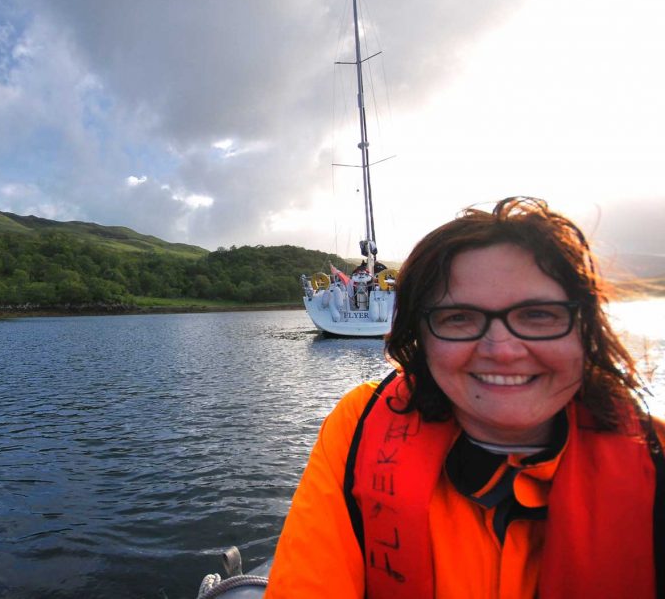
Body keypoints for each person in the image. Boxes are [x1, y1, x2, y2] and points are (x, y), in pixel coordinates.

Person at [265, 197, 663, 598]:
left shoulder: (655, 456)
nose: (503, 350)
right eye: (459, 318)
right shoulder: (358, 427)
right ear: (419, 336)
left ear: (587, 327)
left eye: (539, 315)